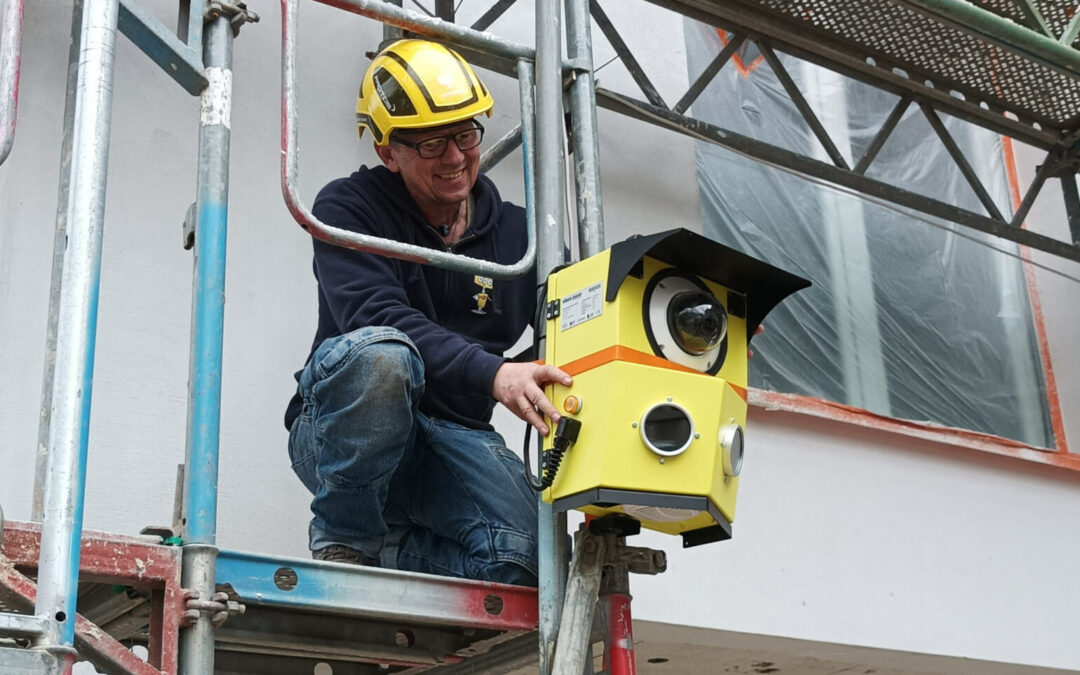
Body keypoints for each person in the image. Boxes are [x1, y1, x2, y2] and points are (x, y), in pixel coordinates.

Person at [284, 39, 571, 587]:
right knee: (383, 356)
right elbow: (377, 313)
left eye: (465, 134)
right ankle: (347, 541)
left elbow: (577, 320)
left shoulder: (521, 234)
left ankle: (390, 547)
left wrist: (676, 328)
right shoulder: (348, 208)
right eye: (433, 142)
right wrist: (493, 373)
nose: (456, 157)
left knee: (529, 559)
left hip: (453, 438)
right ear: (389, 152)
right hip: (345, 430)